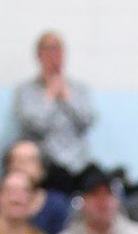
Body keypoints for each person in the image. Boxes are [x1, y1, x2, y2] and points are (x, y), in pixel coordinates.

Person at [10, 33, 97, 190]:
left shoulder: (79, 89)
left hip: (77, 162)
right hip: (45, 163)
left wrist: (68, 99)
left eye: (58, 50)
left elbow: (87, 121)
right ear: (39, 55)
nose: (54, 56)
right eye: (49, 50)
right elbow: (33, 126)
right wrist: (48, 98)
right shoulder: (25, 90)